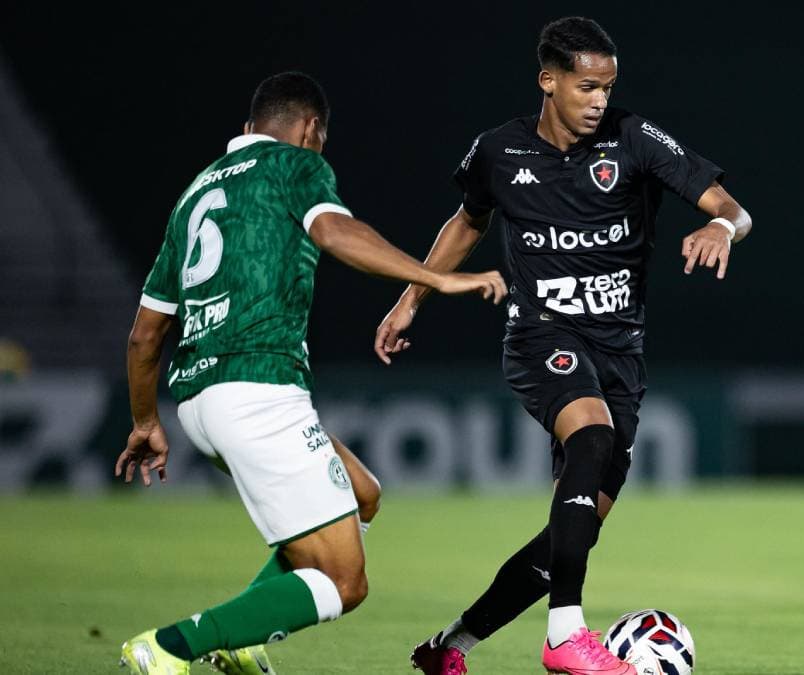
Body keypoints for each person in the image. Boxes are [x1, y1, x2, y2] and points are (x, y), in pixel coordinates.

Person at [374, 17, 752, 675]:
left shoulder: (634, 139)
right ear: (548, 81)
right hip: (541, 338)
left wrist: (721, 225)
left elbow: (733, 207)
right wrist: (412, 297)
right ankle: (566, 636)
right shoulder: (498, 152)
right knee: (591, 439)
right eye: (585, 87)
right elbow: (468, 222)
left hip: (619, 356)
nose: (598, 100)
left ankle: (449, 647)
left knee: (567, 539)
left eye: (607, 87)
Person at [115, 71, 507, 675]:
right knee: (342, 581)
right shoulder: (295, 165)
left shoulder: (194, 195)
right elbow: (335, 231)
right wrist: (435, 278)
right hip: (257, 391)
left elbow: (145, 335)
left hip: (196, 400)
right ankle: (171, 646)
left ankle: (245, 639)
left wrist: (146, 419)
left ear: (248, 129)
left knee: (361, 494)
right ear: (310, 130)